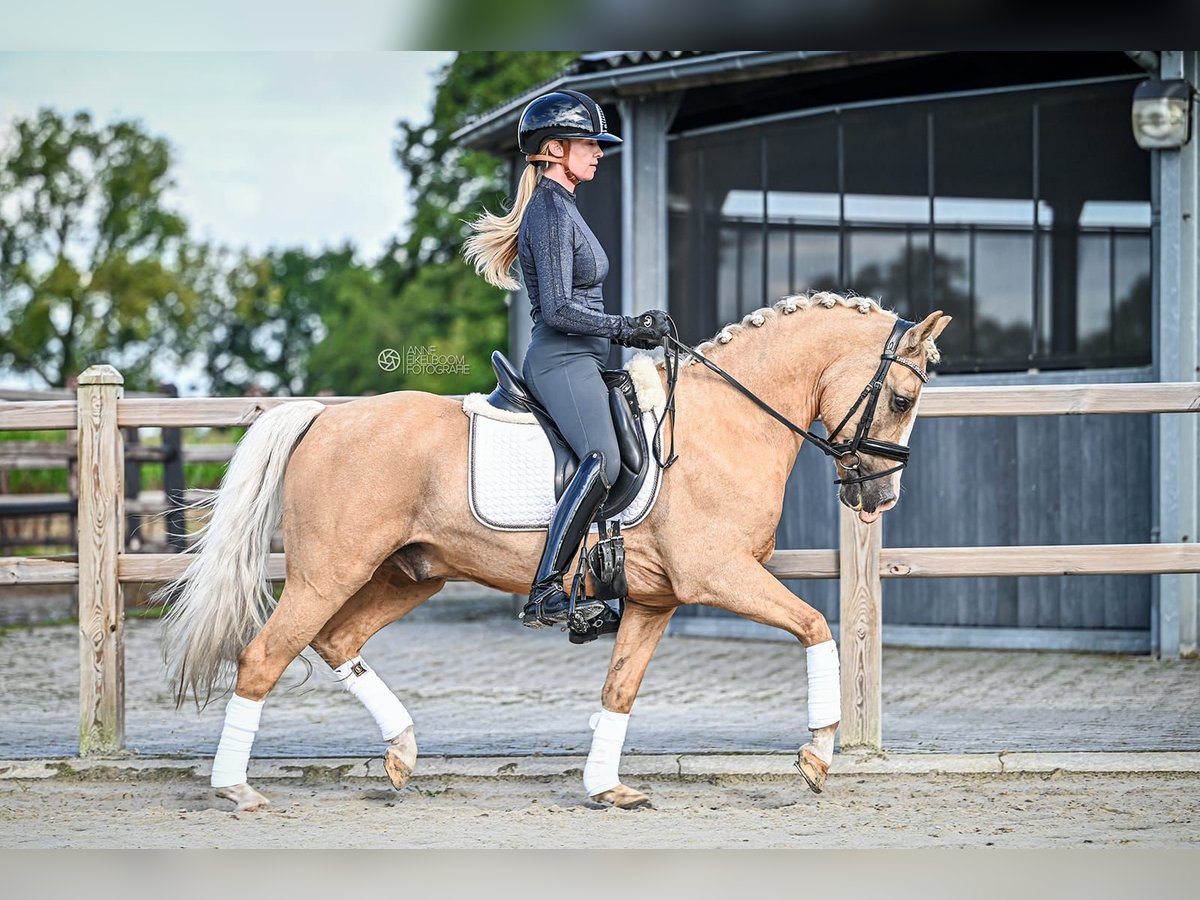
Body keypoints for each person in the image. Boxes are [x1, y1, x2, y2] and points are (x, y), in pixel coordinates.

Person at [463, 89, 670, 636]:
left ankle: (606, 577)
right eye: (589, 143)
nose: (599, 151)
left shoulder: (564, 207)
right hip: (561, 359)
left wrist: (631, 332)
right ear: (554, 149)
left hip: (587, 358)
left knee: (632, 451)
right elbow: (557, 308)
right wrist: (628, 329)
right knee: (601, 457)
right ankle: (547, 591)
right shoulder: (550, 210)